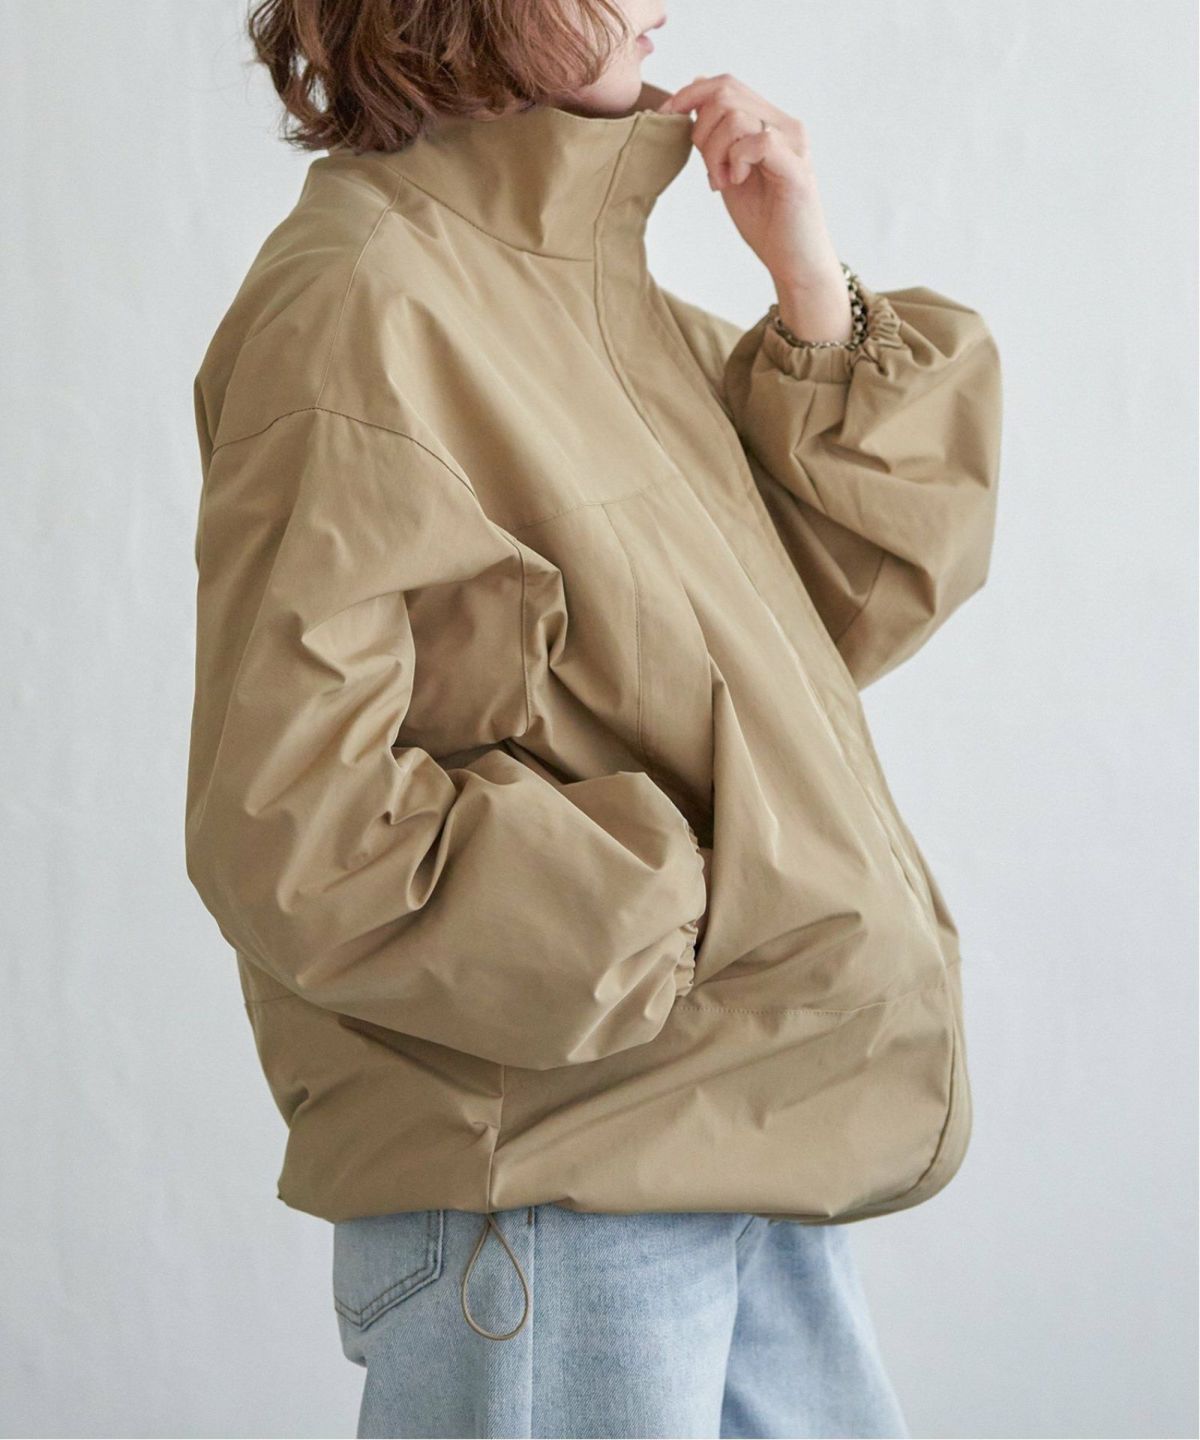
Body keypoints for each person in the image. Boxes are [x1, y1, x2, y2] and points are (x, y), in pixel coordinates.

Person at [185, 0, 1003, 1435]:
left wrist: (808, 285)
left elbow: (836, 605)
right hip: (553, 1187)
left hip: (735, 1135)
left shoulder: (570, 289)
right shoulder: (362, 299)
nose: (659, 4)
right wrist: (666, 921)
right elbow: (297, 826)